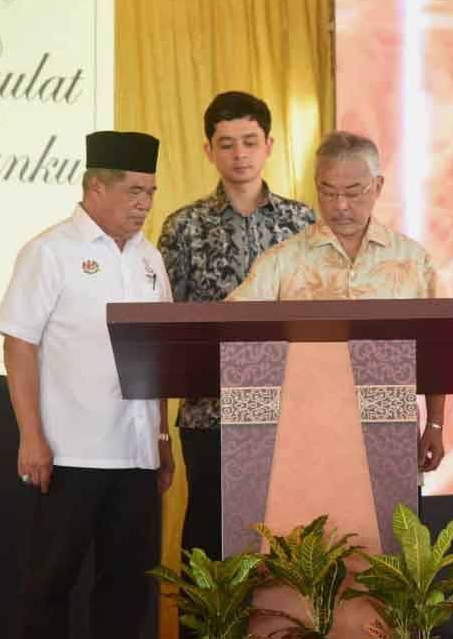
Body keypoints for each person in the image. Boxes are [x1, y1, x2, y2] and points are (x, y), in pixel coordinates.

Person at [0, 130, 174, 639]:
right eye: (134, 191)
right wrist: (31, 436)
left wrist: (163, 437)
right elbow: (19, 345)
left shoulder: (149, 258)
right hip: (71, 453)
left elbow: (158, 351)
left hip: (136, 453)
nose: (144, 205)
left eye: (151, 193)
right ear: (96, 187)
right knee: (51, 585)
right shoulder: (50, 252)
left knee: (127, 587)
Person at [157, 91, 315, 567]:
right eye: (226, 144)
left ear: (269, 144)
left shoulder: (303, 223)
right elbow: (168, 330)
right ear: (208, 150)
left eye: (249, 141)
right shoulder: (183, 227)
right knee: (207, 543)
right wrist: (159, 429)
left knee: (286, 545)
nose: (239, 154)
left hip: (290, 413)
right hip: (210, 414)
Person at [227, 130, 446, 471]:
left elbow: (437, 346)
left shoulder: (412, 261)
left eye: (353, 192)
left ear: (378, 186)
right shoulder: (282, 261)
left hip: (390, 429)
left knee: (393, 524)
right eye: (328, 192)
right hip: (303, 433)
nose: (340, 205)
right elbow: (233, 333)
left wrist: (435, 423)